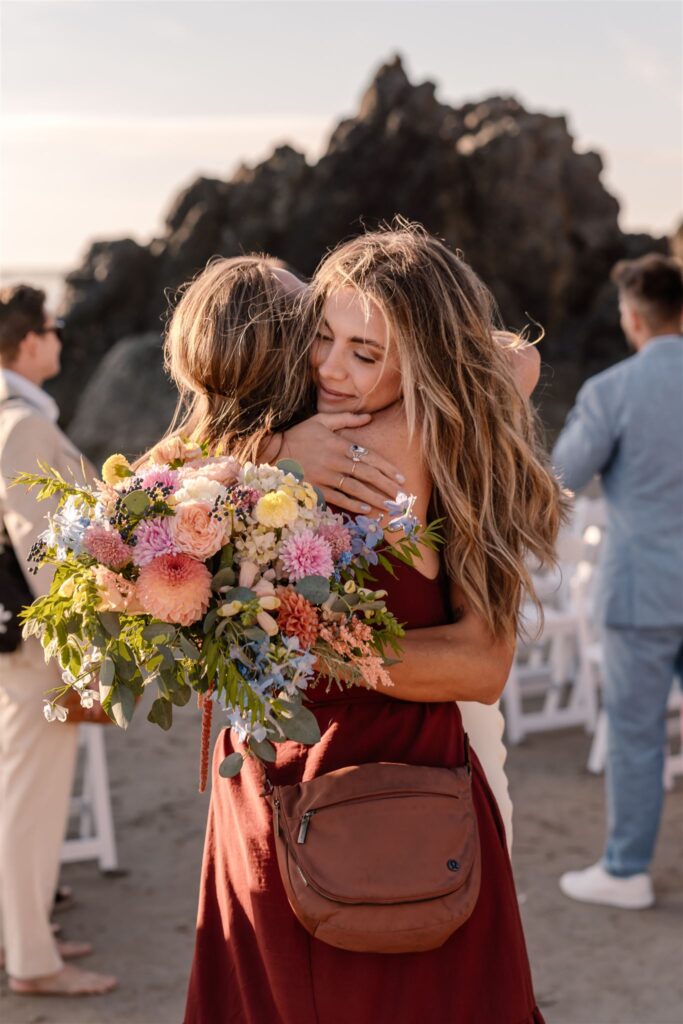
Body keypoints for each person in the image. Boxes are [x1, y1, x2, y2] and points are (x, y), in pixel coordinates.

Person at [176, 227, 563, 1023]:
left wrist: (290, 642)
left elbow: (481, 668)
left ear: (418, 358)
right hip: (316, 788)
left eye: (364, 352)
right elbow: (508, 361)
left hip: (360, 800)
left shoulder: (372, 444)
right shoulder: (307, 440)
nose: (328, 369)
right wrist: (272, 447)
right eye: (318, 337)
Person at [553, 253, 683, 909]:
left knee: (635, 735)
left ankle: (626, 870)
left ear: (631, 318)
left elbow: (561, 482)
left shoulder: (611, 390)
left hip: (642, 593)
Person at [0, 285, 117, 996]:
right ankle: (33, 962)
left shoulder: (14, 419)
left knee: (24, 793)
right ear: (28, 341)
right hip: (40, 649)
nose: (62, 338)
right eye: (54, 327)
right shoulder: (21, 426)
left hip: (22, 642)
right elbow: (40, 548)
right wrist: (83, 652)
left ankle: (27, 935)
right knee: (29, 799)